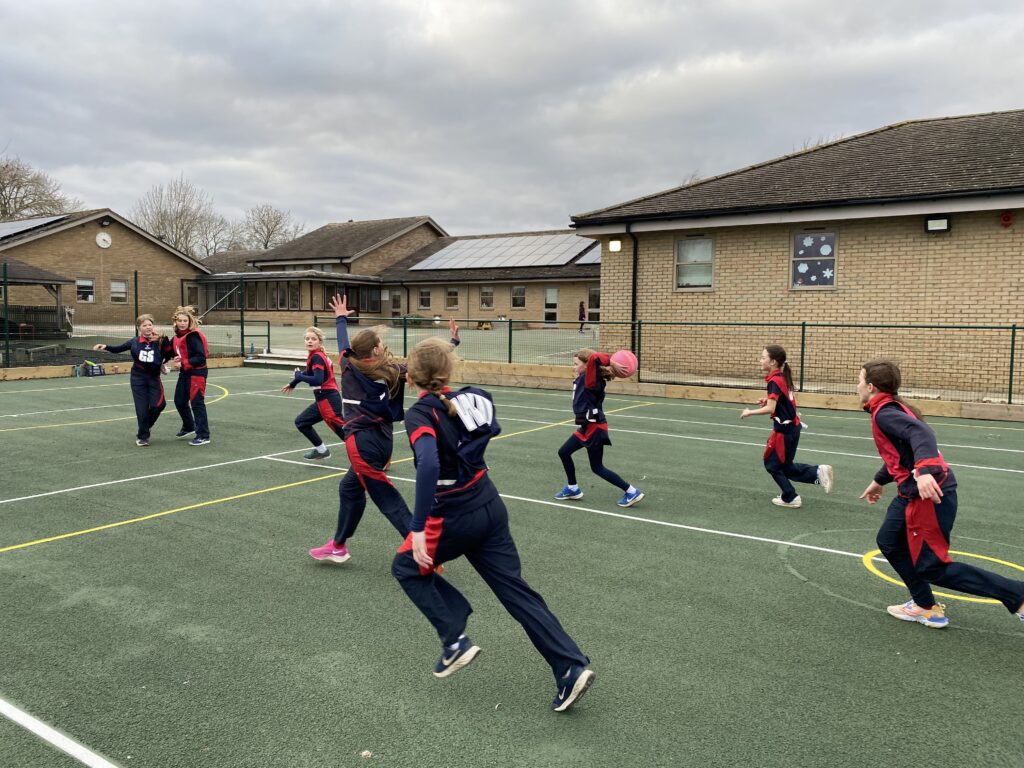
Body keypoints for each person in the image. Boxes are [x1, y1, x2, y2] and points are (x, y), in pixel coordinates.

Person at [392, 337, 595, 712]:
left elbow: (431, 464)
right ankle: (569, 666)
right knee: (517, 591)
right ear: (449, 369)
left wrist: (417, 527)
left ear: (411, 376)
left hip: (451, 515)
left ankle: (454, 638)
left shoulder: (421, 413)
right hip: (489, 505)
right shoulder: (475, 396)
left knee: (405, 566)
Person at [857, 359, 1024, 629]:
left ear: (872, 387)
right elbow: (900, 454)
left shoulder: (885, 412)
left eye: (860, 380)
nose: (858, 385)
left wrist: (923, 472)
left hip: (930, 495)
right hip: (913, 491)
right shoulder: (889, 408)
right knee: (888, 540)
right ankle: (924, 604)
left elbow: (921, 433)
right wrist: (879, 481)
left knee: (932, 567)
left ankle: (1017, 595)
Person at [308, 295, 461, 564]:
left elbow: (343, 342)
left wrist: (341, 317)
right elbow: (426, 364)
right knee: (349, 489)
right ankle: (338, 545)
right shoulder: (392, 369)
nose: (382, 344)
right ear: (376, 351)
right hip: (382, 439)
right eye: (379, 342)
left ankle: (424, 553)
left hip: (362, 443)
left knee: (386, 498)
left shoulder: (347, 363)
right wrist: (451, 343)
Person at [740, 345, 833, 507]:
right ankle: (819, 472)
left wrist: (750, 412)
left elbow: (771, 408)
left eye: (763, 358)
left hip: (784, 432)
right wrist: (768, 399)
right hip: (792, 428)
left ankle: (790, 497)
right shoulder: (782, 377)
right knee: (786, 467)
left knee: (772, 464)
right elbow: (784, 400)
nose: (760, 360)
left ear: (773, 362)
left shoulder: (774, 381)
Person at [554, 348, 644, 508]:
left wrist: (611, 361)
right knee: (564, 452)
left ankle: (631, 491)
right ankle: (572, 488)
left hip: (594, 428)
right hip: (587, 427)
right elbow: (594, 359)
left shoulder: (591, 379)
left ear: (587, 366)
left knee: (597, 467)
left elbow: (595, 357)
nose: (573, 367)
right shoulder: (586, 377)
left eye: (576, 364)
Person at [92, 314, 174, 446]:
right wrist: (105, 346)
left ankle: (145, 426)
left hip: (153, 378)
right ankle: (143, 437)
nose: (148, 327)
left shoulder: (160, 340)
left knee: (158, 405)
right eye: (144, 325)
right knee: (141, 410)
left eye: (150, 325)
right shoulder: (135, 342)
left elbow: (170, 352)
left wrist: (164, 363)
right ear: (139, 328)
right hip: (138, 379)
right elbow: (118, 349)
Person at [281, 325, 344, 459]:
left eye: (313, 339)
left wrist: (298, 376)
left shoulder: (317, 357)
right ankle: (322, 451)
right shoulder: (315, 356)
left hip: (328, 399)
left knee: (344, 432)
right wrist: (293, 383)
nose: (309, 341)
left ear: (319, 342)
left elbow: (317, 379)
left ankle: (369, 454)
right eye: (307, 339)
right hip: (323, 400)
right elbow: (309, 373)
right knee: (301, 422)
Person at [169, 305, 211, 446]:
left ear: (189, 322)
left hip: (197, 373)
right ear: (175, 322)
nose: (182, 323)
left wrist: (183, 363)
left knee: (197, 403)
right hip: (185, 373)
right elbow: (167, 351)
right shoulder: (176, 337)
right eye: (179, 320)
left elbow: (201, 357)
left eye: (185, 321)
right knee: (179, 401)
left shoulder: (193, 336)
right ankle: (189, 426)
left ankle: (203, 435)